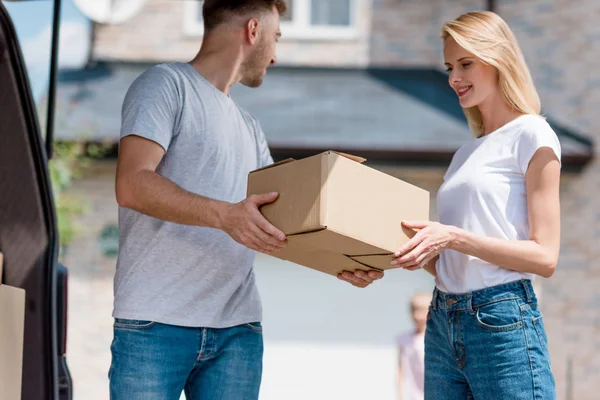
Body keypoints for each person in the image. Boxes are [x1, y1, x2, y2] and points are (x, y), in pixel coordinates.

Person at [110, 1, 380, 398]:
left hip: (237, 331)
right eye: (276, 38)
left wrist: (342, 259)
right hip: (154, 322)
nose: (275, 54)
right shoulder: (166, 85)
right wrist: (224, 216)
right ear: (253, 30)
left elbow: (280, 221)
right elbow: (132, 183)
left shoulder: (249, 127)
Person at [387, 10, 558, 399]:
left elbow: (545, 256)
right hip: (442, 319)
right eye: (450, 67)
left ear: (498, 59)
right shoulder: (465, 154)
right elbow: (452, 260)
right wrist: (408, 250)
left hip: (501, 319)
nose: (453, 79)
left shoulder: (533, 134)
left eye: (466, 64)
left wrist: (452, 237)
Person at [396, 292, 432, 400]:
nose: (418, 316)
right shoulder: (404, 339)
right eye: (414, 310)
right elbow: (400, 372)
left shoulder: (438, 339)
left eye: (422, 310)